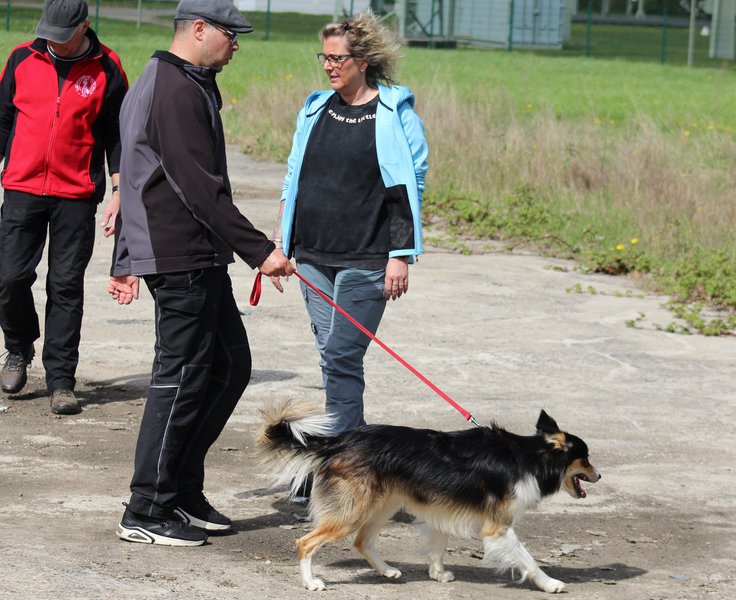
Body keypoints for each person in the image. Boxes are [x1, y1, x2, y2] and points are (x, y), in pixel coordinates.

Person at [108, 0, 294, 547]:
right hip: (179, 257)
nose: (236, 44)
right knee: (181, 379)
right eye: (230, 34)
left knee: (230, 367)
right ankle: (146, 508)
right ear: (198, 29)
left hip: (200, 255)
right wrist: (259, 251)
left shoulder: (188, 81)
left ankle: (181, 489)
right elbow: (196, 186)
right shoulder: (172, 88)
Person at [270, 13, 429, 444]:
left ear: (363, 60)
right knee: (331, 356)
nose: (329, 66)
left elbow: (409, 185)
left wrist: (400, 255)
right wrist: (280, 240)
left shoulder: (394, 114)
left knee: (342, 354)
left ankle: (342, 457)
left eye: (337, 58)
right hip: (313, 255)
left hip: (368, 257)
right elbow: (293, 177)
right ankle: (350, 455)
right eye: (324, 57)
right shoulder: (315, 109)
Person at [0, 0, 127, 415]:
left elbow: (117, 134)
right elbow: (3, 119)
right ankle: (18, 347)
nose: (53, 41)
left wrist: (119, 189)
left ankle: (61, 380)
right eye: (48, 33)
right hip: (22, 186)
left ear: (84, 26)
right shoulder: (21, 58)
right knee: (10, 276)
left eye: (62, 35)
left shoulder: (108, 68)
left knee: (66, 285)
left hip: (75, 193)